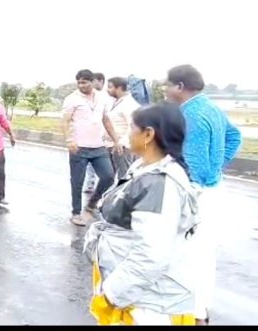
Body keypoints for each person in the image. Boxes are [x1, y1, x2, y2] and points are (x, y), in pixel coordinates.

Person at [83, 101, 199, 326]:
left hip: (148, 307)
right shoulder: (144, 169)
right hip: (135, 298)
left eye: (131, 128)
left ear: (148, 134)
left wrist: (111, 293)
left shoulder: (159, 184)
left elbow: (151, 255)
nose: (127, 134)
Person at [163, 64, 242, 325]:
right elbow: (234, 137)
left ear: (179, 87)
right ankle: (201, 309)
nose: (164, 89)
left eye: (167, 85)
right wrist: (218, 164)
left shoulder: (191, 115)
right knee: (205, 254)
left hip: (196, 192)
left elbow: (193, 165)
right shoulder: (210, 107)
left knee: (188, 254)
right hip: (213, 189)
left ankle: (195, 312)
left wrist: (194, 184)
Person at [62, 69, 121, 226]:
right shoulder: (71, 99)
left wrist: (116, 140)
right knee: (77, 182)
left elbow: (106, 120)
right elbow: (66, 121)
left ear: (92, 82)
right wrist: (69, 140)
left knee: (108, 176)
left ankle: (91, 204)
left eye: (85, 82)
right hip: (79, 147)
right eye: (79, 82)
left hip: (98, 146)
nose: (81, 85)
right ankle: (76, 213)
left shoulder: (102, 98)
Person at [82, 72, 112, 198]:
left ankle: (106, 188)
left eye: (92, 81)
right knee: (90, 163)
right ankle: (90, 184)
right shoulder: (88, 97)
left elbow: (108, 118)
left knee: (107, 167)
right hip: (91, 136)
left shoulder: (107, 98)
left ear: (100, 81)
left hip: (105, 137)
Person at [106, 76, 142, 182]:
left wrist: (121, 143)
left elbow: (133, 126)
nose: (108, 90)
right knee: (110, 176)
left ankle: (124, 197)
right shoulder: (116, 102)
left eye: (110, 87)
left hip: (123, 146)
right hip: (113, 145)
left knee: (124, 176)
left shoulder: (129, 104)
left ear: (119, 88)